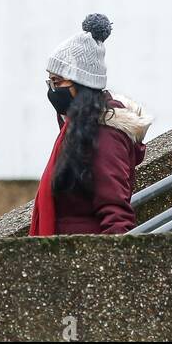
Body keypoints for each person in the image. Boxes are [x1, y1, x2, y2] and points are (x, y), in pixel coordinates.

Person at [29, 13, 153, 235]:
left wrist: (115, 263)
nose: (52, 90)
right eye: (49, 81)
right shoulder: (80, 129)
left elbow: (115, 209)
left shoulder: (105, 133)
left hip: (83, 257)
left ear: (82, 83)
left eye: (57, 82)